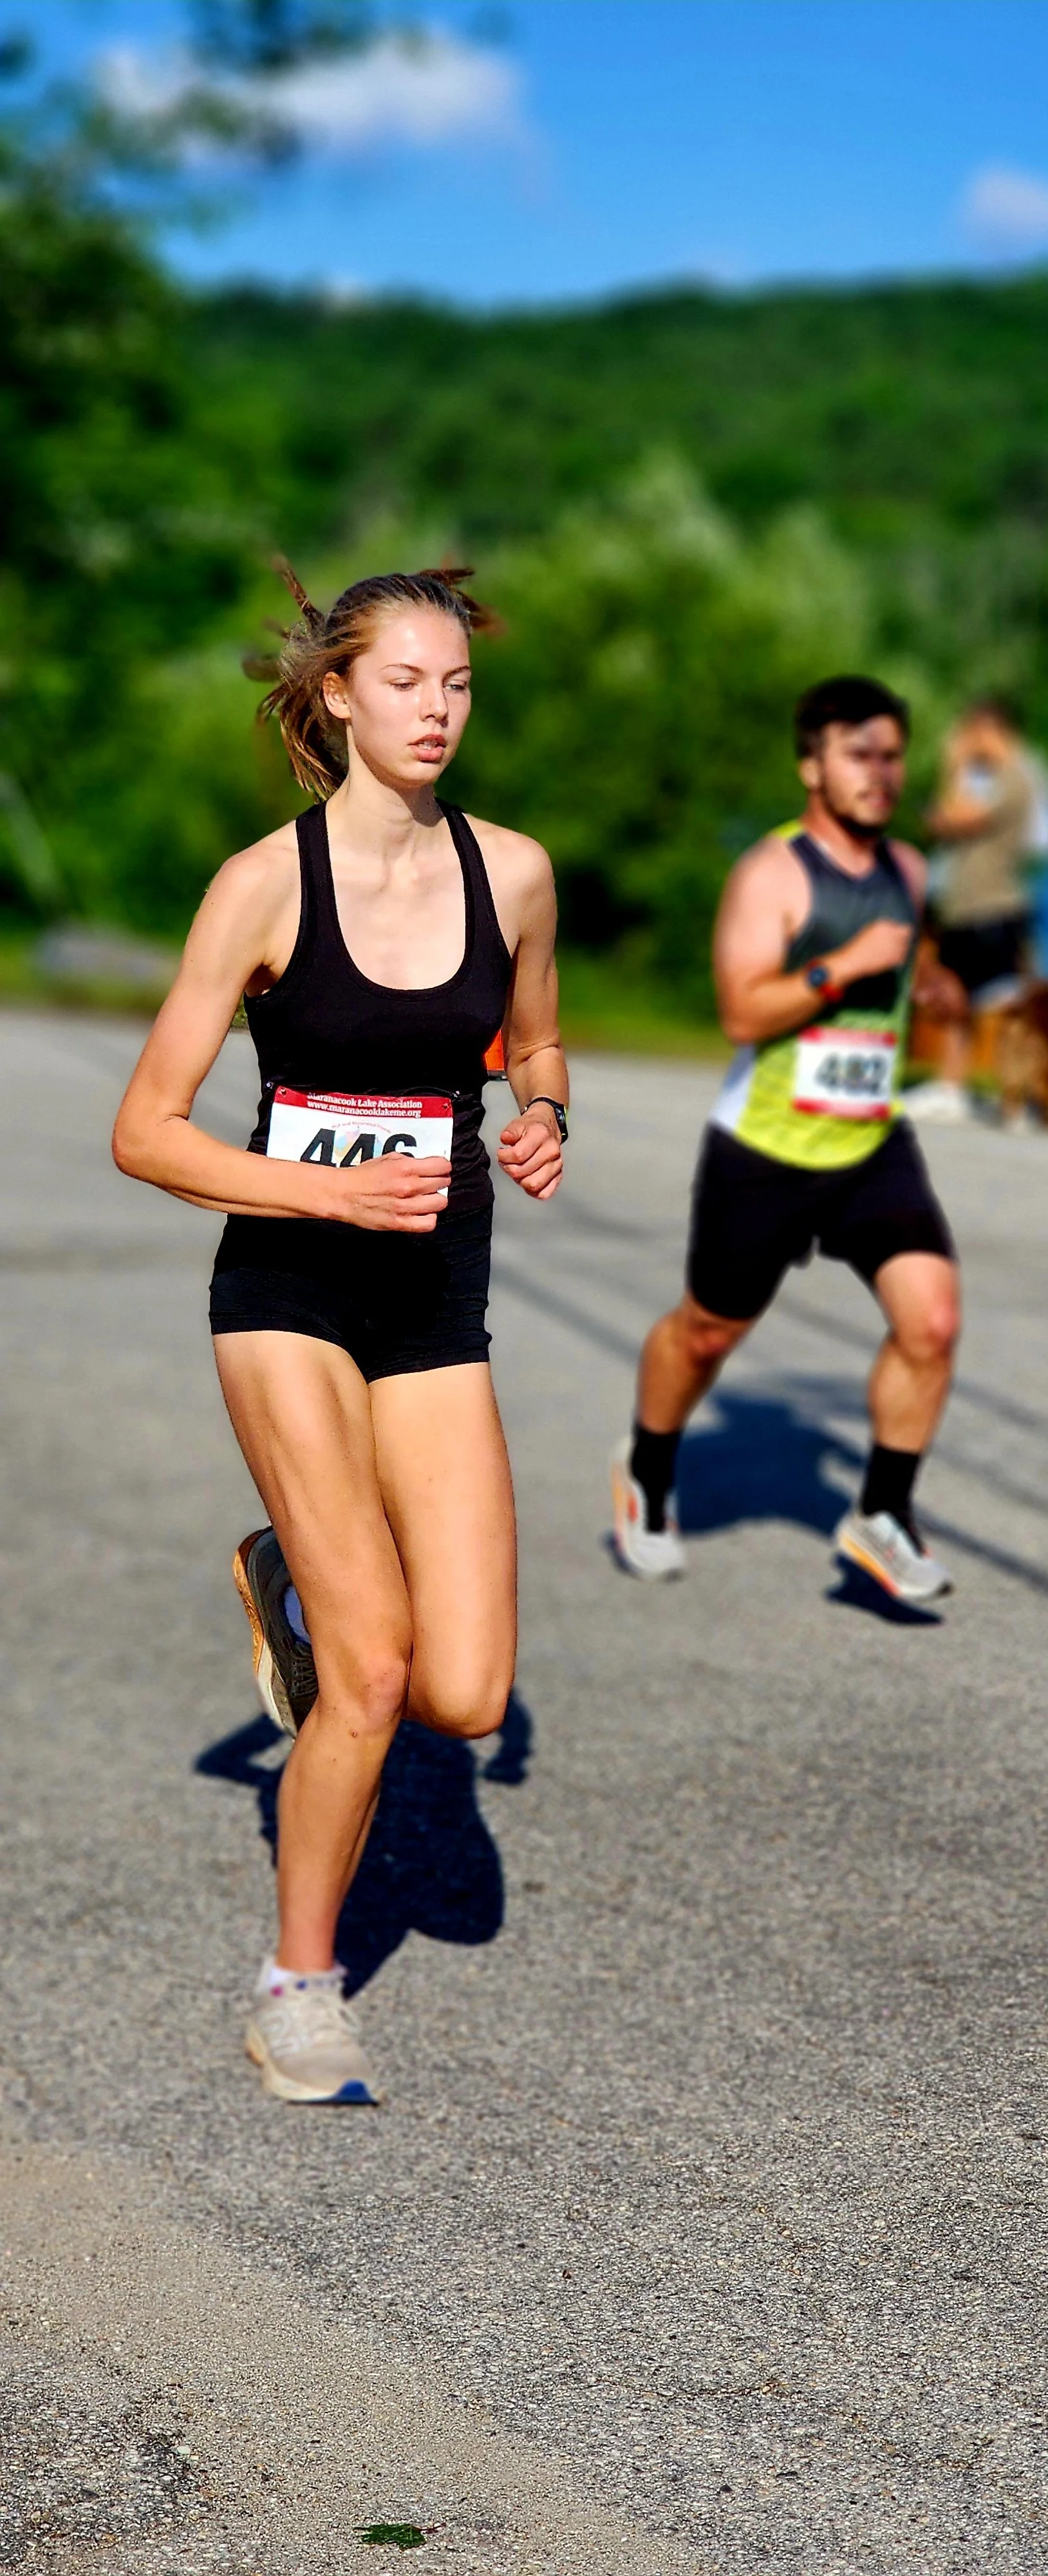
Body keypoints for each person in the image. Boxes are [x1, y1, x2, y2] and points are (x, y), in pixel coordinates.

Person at [113, 564, 568, 2104]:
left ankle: (286, 1590)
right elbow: (147, 1132)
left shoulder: (511, 873)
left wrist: (543, 1109)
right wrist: (315, 1191)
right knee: (376, 1676)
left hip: (436, 1293)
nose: (434, 711)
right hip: (289, 1293)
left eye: (454, 685)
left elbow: (537, 1032)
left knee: (468, 1694)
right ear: (333, 695)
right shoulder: (260, 884)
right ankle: (298, 1987)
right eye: (403, 683)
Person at [610, 673, 959, 1607]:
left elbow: (910, 952)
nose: (881, 775)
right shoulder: (772, 874)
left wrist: (930, 984)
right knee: (707, 1334)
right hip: (765, 1149)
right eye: (859, 755)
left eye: (892, 756)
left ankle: (883, 1512)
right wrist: (845, 964)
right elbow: (739, 1008)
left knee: (932, 1322)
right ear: (811, 765)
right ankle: (647, 1468)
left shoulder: (913, 870)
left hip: (870, 1143)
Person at [906, 697, 1042, 1125]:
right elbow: (941, 819)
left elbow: (955, 818)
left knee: (1004, 1009)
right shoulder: (987, 777)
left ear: (998, 731)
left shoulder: (1015, 775)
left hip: (994, 908)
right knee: (956, 1001)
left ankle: (1026, 1091)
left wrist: (953, 768)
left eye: (974, 732)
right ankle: (952, 1086)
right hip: (963, 908)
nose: (968, 742)